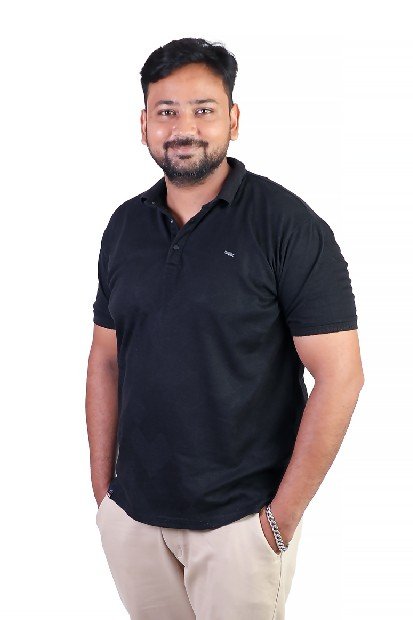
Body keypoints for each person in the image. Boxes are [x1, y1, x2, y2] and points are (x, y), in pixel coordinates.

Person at [85, 37, 364, 620]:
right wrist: (104, 496)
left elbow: (341, 377)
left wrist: (279, 520)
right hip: (134, 520)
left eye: (203, 110)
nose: (183, 127)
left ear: (233, 120)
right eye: (166, 111)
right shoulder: (124, 226)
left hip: (241, 525)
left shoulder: (288, 225)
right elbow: (105, 359)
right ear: (144, 124)